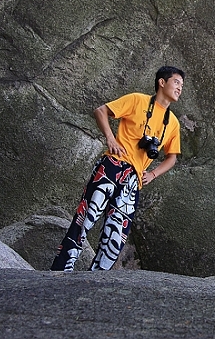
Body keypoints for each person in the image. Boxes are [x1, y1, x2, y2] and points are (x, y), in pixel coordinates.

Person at [51, 66, 184, 272]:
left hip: (133, 180)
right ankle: (59, 271)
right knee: (85, 219)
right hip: (112, 166)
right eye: (176, 82)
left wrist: (153, 174)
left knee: (115, 238)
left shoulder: (172, 123)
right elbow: (101, 111)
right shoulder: (137, 100)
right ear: (162, 82)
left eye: (182, 85)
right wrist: (111, 139)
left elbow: (172, 157)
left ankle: (95, 281)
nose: (180, 88)